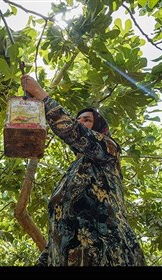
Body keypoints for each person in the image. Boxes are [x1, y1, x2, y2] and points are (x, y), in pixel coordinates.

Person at [20, 74, 146, 266]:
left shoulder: (108, 151)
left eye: (86, 120)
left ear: (99, 127)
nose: (80, 122)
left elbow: (74, 131)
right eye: (78, 119)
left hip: (108, 256)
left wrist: (40, 94)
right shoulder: (71, 173)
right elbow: (61, 231)